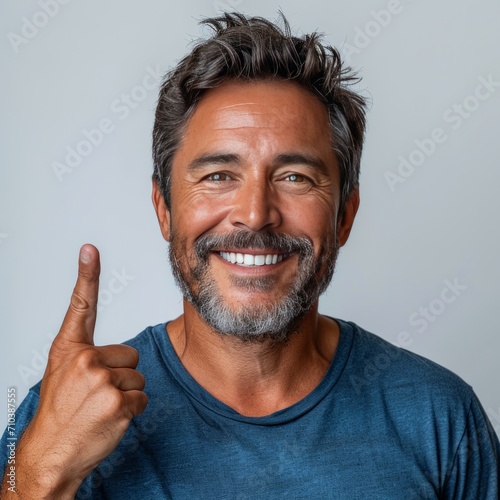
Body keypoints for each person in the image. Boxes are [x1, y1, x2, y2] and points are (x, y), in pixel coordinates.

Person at [2, 12, 499, 499]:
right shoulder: (58, 414)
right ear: (165, 209)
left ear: (345, 215)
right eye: (219, 175)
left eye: (295, 178)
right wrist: (41, 477)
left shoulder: (438, 416)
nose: (256, 215)